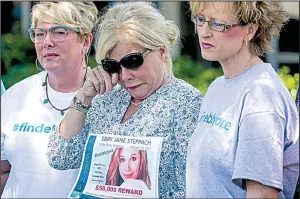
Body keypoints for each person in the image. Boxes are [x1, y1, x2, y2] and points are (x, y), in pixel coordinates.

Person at [46, 2, 203, 198]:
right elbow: (59, 157)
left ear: (161, 51)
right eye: (113, 66)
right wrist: (83, 98)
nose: (125, 76)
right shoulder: (107, 99)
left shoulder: (187, 104)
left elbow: (192, 189)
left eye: (132, 61)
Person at [186, 2, 299, 199]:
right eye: (201, 19)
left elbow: (262, 195)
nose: (203, 32)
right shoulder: (217, 86)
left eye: (218, 24)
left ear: (250, 30)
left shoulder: (261, 96)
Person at [0, 2, 98, 198]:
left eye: (59, 32)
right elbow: (3, 170)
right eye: (39, 33)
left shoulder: (109, 98)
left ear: (86, 41)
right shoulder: (15, 96)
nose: (47, 42)